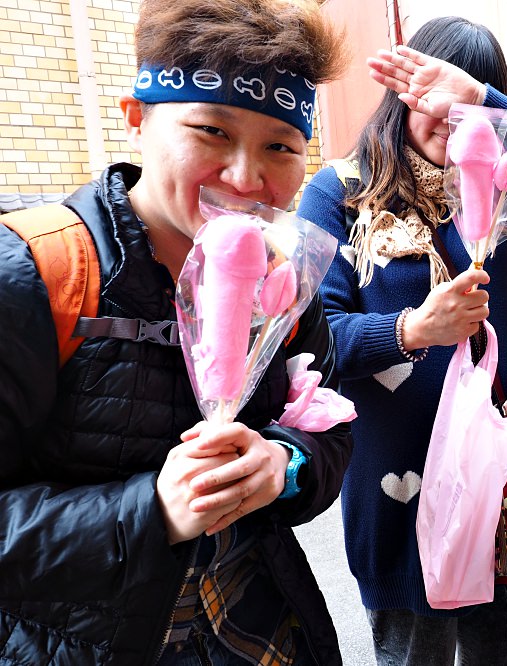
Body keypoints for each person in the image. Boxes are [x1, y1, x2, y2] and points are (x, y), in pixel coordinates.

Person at [0, 1, 353, 664]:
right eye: (212, 132)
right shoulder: (35, 274)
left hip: (259, 630)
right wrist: (151, 513)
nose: (247, 178)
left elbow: (327, 426)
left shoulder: (281, 281)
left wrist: (285, 463)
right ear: (137, 119)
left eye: (280, 146)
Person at [296, 16, 507, 666]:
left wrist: (485, 102)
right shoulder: (338, 193)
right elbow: (311, 343)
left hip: (495, 473)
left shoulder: (498, 188)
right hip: (397, 485)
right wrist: (411, 329)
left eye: (464, 106)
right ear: (403, 92)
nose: (448, 118)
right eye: (433, 99)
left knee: (495, 649)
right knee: (416, 653)